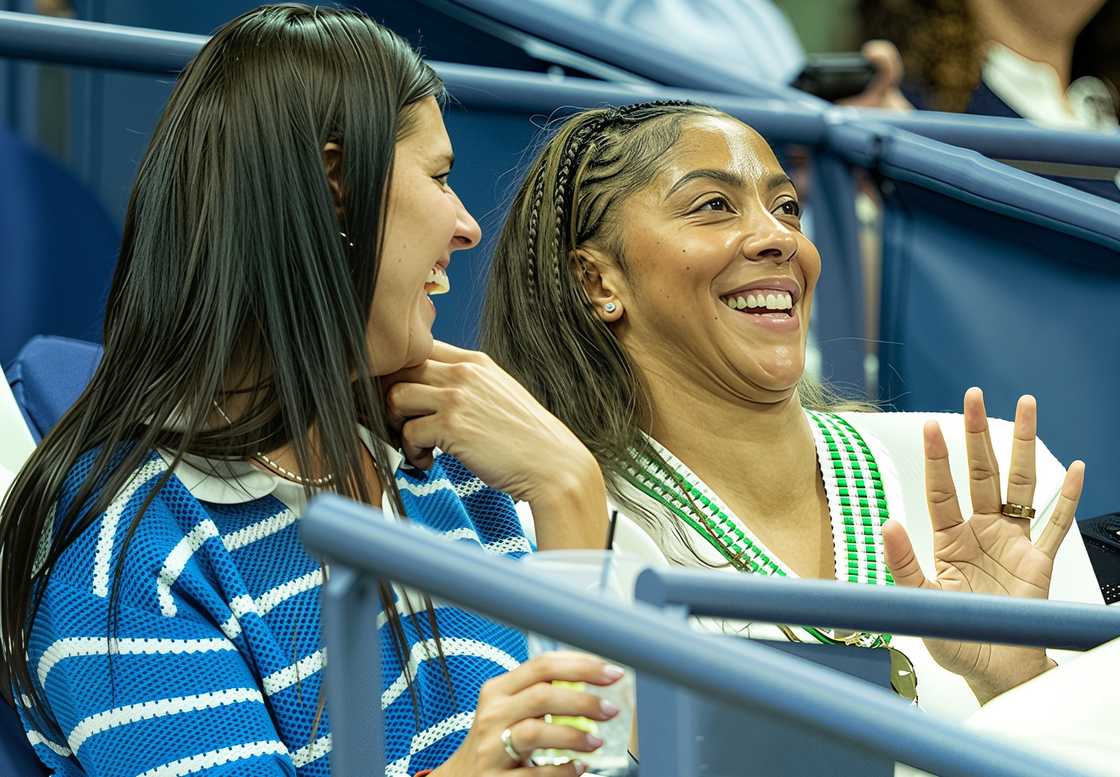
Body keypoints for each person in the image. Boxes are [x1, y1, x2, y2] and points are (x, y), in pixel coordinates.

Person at [0, 6, 623, 776]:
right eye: (438, 177)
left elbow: (603, 758)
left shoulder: (455, 468)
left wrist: (570, 488)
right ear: (336, 187)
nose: (466, 226)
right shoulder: (125, 550)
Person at [480, 101, 1104, 722]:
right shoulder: (559, 534)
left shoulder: (989, 480)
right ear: (598, 282)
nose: (781, 238)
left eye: (786, 208)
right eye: (713, 206)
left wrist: (1019, 683)